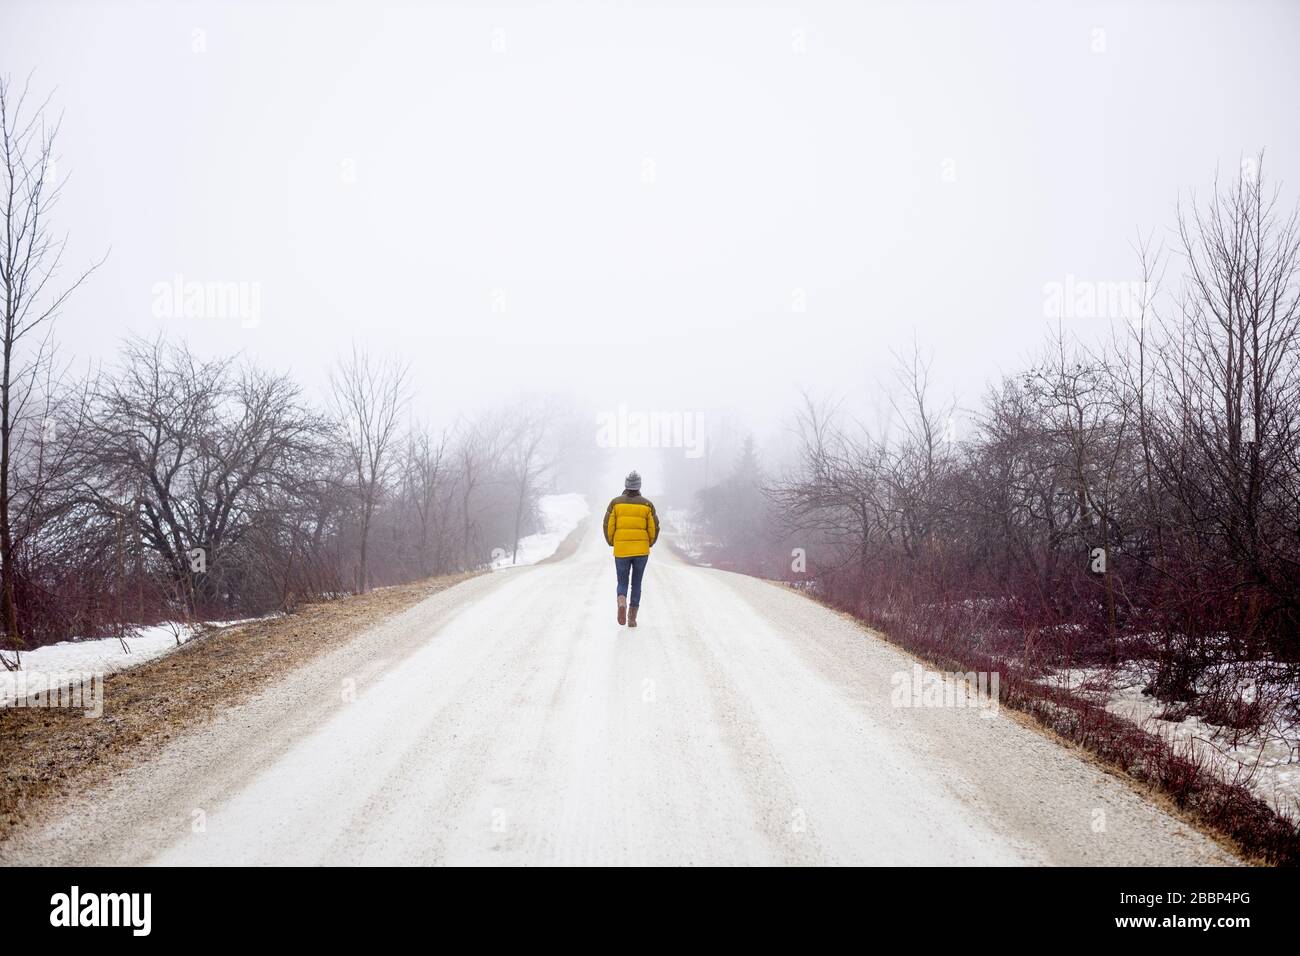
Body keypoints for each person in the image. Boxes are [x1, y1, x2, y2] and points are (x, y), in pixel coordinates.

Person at [602, 470, 659, 627]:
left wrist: (612, 541)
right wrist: (649, 542)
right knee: (637, 583)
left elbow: (608, 525)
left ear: (626, 485)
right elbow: (654, 528)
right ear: (639, 486)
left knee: (622, 581)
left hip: (622, 550)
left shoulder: (615, 503)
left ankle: (621, 600)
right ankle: (632, 618)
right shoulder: (647, 505)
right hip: (641, 551)